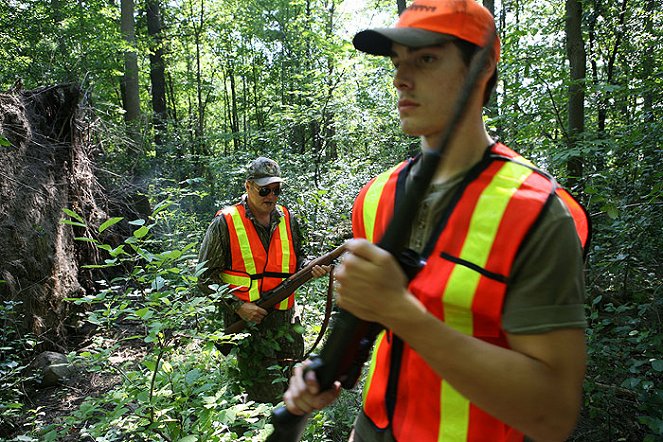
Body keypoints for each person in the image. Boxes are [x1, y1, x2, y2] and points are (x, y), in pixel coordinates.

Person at [282, 1, 591, 441]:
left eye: (426, 59)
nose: (401, 79)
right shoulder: (376, 196)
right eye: (397, 61)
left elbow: (553, 415)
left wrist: (403, 313)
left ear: (481, 70)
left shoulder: (536, 211)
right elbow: (368, 328)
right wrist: (325, 373)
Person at [198, 156, 329, 404]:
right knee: (260, 398)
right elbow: (205, 276)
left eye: (276, 190)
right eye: (265, 190)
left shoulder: (288, 219)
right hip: (250, 326)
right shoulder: (225, 222)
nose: (271, 196)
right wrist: (239, 306)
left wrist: (311, 269)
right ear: (248, 187)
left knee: (293, 391)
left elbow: (299, 259)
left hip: (287, 322)